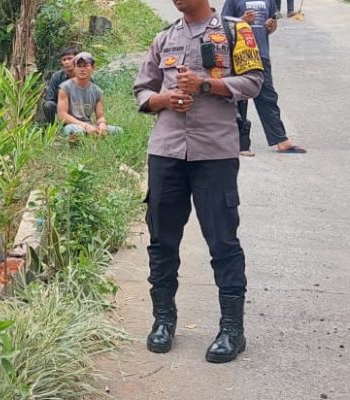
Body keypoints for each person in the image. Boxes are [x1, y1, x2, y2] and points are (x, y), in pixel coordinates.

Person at [133, 0, 264, 363]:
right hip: (166, 152)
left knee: (223, 241)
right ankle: (163, 321)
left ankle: (232, 331)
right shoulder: (163, 39)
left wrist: (206, 84)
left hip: (215, 154)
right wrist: (163, 98)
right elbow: (142, 90)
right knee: (161, 241)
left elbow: (254, 82)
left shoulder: (237, 31)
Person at [223, 0, 306, 155]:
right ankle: (241, 145)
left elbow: (271, 24)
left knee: (268, 96)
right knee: (240, 99)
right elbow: (223, 26)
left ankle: (281, 140)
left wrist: (271, 26)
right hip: (240, 54)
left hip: (261, 54)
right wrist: (242, 21)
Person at [57, 52, 121, 137]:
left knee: (118, 131)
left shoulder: (97, 91)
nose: (82, 69)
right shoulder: (65, 88)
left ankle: (95, 137)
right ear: (74, 68)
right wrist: (84, 125)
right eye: (79, 66)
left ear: (93, 68)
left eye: (85, 66)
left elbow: (100, 116)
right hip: (71, 125)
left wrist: (102, 124)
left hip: (89, 125)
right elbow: (62, 116)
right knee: (77, 132)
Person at [42, 46, 80, 122]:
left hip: (79, 110)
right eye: (64, 60)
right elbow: (50, 99)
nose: (66, 62)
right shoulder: (56, 77)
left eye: (69, 58)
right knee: (48, 105)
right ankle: (53, 128)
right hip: (60, 110)